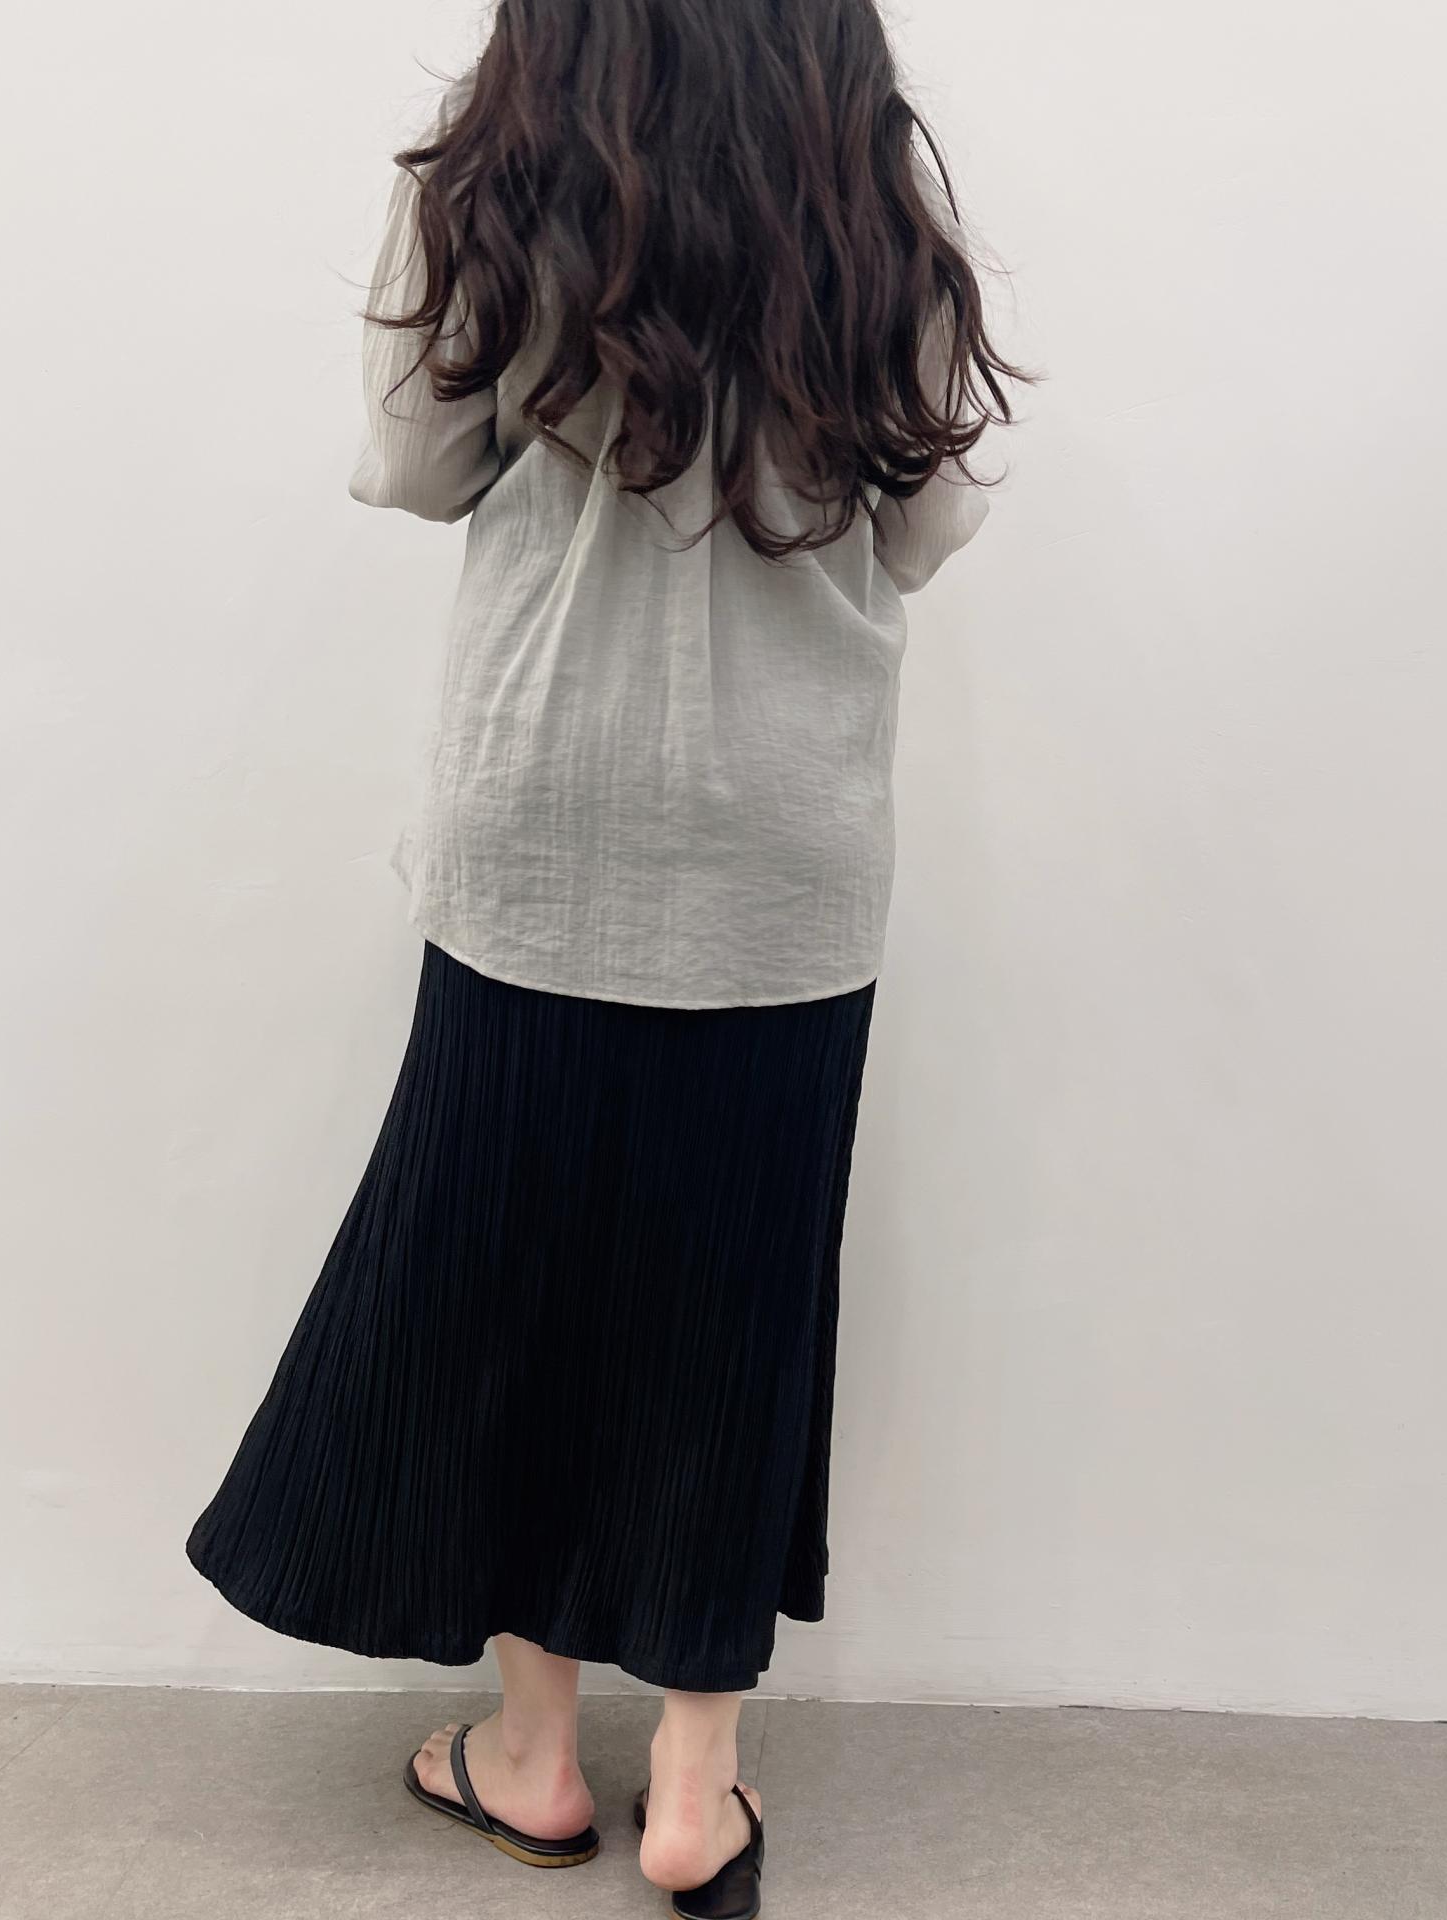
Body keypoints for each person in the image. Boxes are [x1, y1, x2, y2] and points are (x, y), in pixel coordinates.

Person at [186, 2, 1022, 1912]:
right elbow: (926, 530)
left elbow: (415, 466)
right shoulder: (875, 209)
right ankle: (696, 1794)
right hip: (787, 857)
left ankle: (537, 1755)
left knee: (513, 1290)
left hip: (543, 826)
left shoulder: (486, 187)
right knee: (736, 1308)